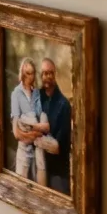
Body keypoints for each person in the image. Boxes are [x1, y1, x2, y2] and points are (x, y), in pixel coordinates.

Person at [10, 58, 53, 187]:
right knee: (20, 188)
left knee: (37, 189)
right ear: (22, 74)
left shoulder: (37, 94)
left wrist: (36, 131)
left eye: (32, 73)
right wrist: (33, 135)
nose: (30, 76)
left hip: (37, 149)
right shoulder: (16, 94)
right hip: (23, 150)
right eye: (27, 73)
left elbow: (44, 123)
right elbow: (16, 132)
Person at [38, 58, 71, 195]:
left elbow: (58, 147)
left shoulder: (64, 105)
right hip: (39, 167)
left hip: (58, 173)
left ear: (55, 74)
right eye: (45, 73)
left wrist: (35, 138)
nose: (48, 77)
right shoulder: (37, 97)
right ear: (41, 76)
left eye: (50, 73)